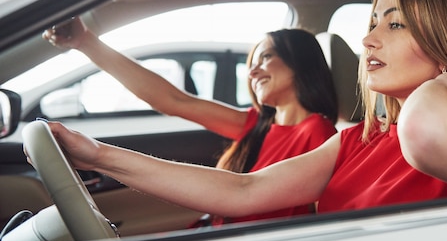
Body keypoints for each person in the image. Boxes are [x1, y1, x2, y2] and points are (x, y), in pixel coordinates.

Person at [39, 0, 447, 223]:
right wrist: (98, 155)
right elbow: (244, 191)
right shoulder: (356, 141)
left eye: (395, 23)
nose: (368, 41)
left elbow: (425, 132)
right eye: (372, 22)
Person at [43, 20, 338, 225]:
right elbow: (172, 101)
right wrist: (85, 42)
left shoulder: (320, 133)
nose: (252, 72)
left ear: (299, 62)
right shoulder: (256, 125)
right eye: (251, 65)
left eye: (265, 58)